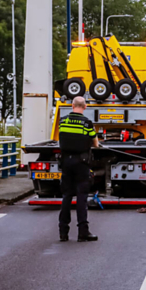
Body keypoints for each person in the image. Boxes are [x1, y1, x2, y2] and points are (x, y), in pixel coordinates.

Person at [58, 96, 99, 242]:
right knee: (82, 197)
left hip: (66, 162)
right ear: (85, 107)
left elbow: (62, 138)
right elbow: (95, 143)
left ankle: (63, 231)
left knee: (67, 196)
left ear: (72, 105)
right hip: (81, 163)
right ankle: (83, 232)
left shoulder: (63, 121)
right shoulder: (87, 123)